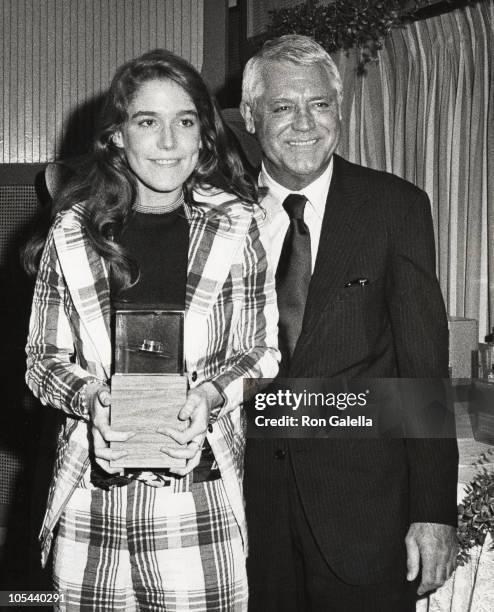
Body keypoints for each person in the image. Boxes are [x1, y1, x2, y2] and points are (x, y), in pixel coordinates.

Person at [23, 48, 279, 611]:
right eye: (147, 121)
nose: (168, 142)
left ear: (204, 136)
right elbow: (41, 360)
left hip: (199, 496)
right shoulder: (72, 230)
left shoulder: (238, 225)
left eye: (184, 121)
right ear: (117, 135)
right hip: (90, 495)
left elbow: (261, 352)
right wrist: (91, 398)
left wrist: (210, 397)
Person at [239, 35, 458, 611]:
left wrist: (433, 511)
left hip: (366, 515)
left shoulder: (395, 207)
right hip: (243, 516)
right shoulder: (215, 212)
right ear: (251, 115)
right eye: (284, 106)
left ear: (340, 110)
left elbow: (422, 368)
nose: (305, 124)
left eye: (322, 104)